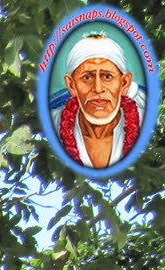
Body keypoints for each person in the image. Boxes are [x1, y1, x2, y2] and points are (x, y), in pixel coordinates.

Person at [58, 32, 144, 169]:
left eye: (107, 77)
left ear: (124, 83)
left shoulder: (145, 122)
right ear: (72, 85)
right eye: (87, 78)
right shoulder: (53, 125)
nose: (98, 89)